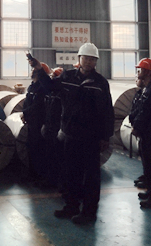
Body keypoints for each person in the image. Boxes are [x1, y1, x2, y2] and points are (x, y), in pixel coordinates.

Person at [28, 43, 114, 224]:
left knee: (91, 177)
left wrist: (105, 137)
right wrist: (39, 69)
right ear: (79, 59)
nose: (89, 62)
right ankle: (71, 206)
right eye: (86, 58)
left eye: (92, 59)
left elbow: (107, 111)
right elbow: (50, 87)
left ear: (96, 61)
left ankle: (89, 212)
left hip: (90, 138)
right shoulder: (67, 77)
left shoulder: (100, 83)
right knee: (70, 173)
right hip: (70, 135)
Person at [129, 58, 151, 209]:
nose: (138, 72)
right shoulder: (148, 89)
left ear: (149, 72)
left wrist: (137, 127)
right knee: (148, 167)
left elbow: (145, 113)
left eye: (141, 69)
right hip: (147, 135)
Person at [21, 63, 50, 186]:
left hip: (39, 122)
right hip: (31, 122)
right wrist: (24, 113)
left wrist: (25, 113)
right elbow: (27, 102)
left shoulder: (42, 88)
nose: (32, 72)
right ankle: (32, 174)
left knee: (39, 149)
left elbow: (38, 106)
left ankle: (40, 176)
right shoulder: (32, 86)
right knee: (31, 148)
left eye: (35, 70)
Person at [41, 67, 64, 190]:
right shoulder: (51, 94)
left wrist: (62, 129)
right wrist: (45, 124)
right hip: (50, 127)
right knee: (49, 155)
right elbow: (48, 110)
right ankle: (50, 180)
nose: (52, 79)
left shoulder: (62, 94)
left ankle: (58, 182)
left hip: (58, 128)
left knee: (58, 157)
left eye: (54, 77)